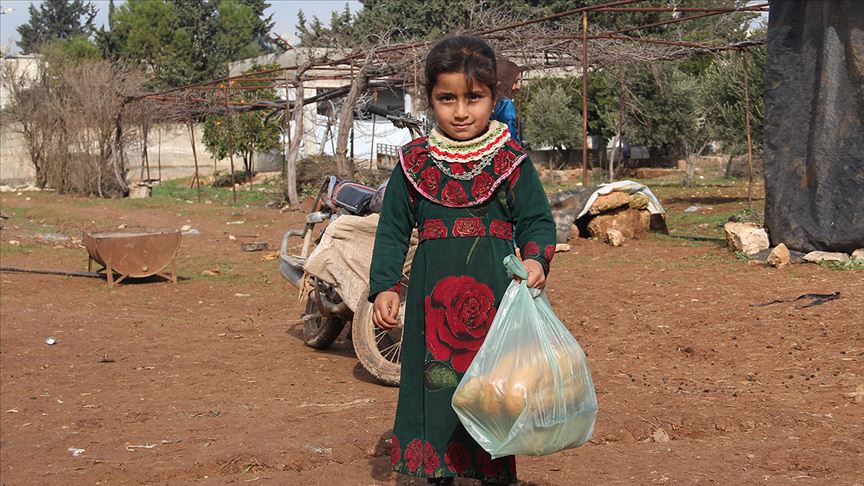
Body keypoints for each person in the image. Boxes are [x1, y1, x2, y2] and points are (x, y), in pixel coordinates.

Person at [368, 35, 556, 486]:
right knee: (436, 386)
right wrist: (385, 286)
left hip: (495, 307)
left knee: (492, 390)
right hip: (432, 310)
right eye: (446, 98)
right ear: (430, 99)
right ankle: (437, 471)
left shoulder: (511, 161)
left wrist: (536, 261)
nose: (460, 111)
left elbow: (537, 222)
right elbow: (393, 229)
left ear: (493, 98)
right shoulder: (414, 163)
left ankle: (492, 472)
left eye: (474, 97)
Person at [491, 58, 522, 145]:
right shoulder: (505, 104)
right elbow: (511, 137)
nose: (518, 87)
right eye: (515, 82)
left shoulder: (485, 103)